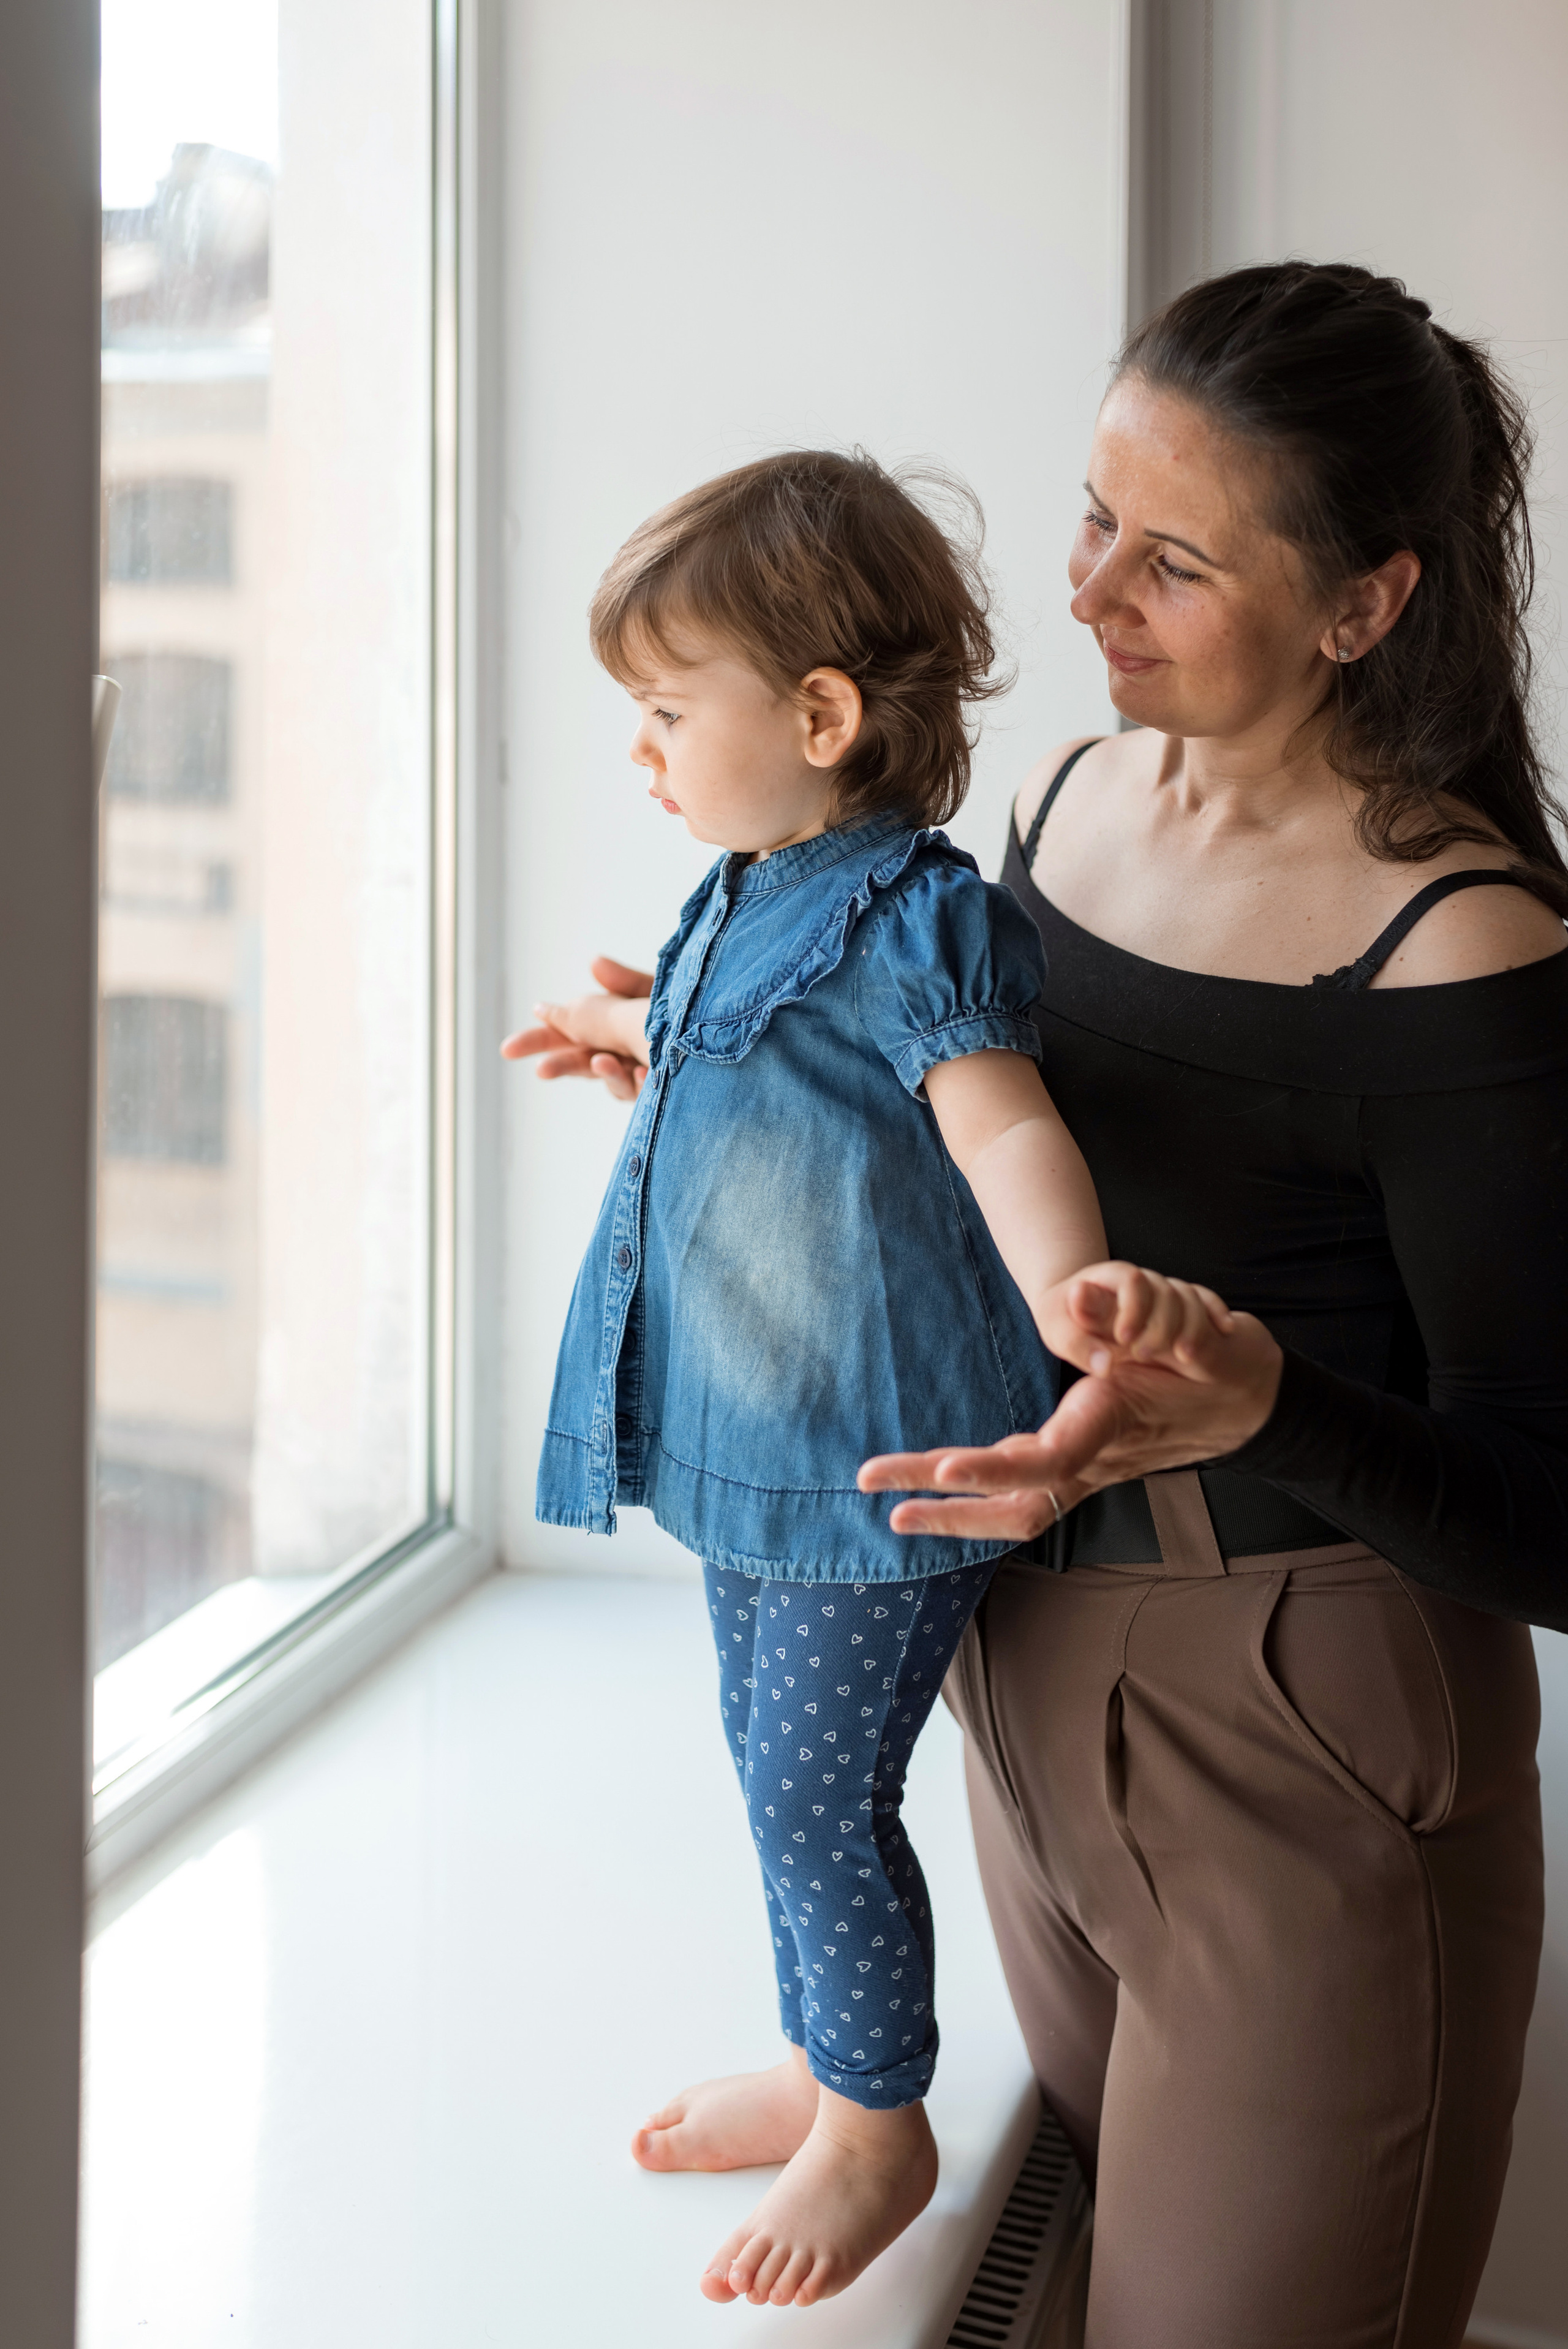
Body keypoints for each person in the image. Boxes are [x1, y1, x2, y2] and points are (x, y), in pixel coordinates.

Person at [515, 265, 1568, 2347]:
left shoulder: (1467, 945)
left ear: (1366, 603)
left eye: (1172, 560)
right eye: (1095, 515)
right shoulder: (1074, 805)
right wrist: (745, 1082)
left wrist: (1263, 1399)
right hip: (1026, 1684)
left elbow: (1558, 1516)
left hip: (1298, 1727)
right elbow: (982, 1126)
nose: (1088, 592)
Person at [521, 450, 1193, 2312]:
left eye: (667, 712)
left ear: (820, 715)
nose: (643, 753)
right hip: (764, 1432)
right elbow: (767, 1064)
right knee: (771, 1765)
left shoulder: (914, 915)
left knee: (816, 1789)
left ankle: (878, 2120)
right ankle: (833, 2071)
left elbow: (1000, 1130)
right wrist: (630, 1035)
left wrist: (1083, 1301)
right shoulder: (747, 885)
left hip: (877, 1459)